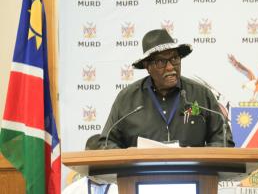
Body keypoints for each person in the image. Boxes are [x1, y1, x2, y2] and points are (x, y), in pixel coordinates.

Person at [93, 29, 234, 149]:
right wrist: (131, 157)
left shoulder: (201, 94)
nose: (170, 67)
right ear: (148, 67)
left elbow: (223, 141)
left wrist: (196, 156)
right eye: (161, 61)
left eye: (174, 58)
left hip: (193, 176)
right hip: (140, 177)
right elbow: (106, 143)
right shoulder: (127, 98)